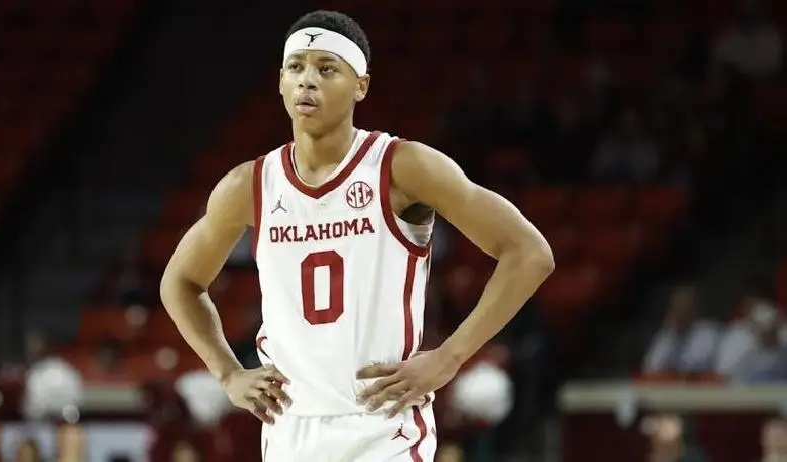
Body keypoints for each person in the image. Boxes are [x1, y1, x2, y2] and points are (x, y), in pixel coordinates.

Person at [159, 10, 554, 461]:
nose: (308, 80)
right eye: (296, 67)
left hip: (383, 428)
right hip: (291, 431)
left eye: (326, 68)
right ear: (281, 82)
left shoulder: (402, 167)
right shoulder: (247, 186)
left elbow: (529, 253)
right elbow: (180, 282)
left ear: (361, 86)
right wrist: (228, 373)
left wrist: (449, 357)